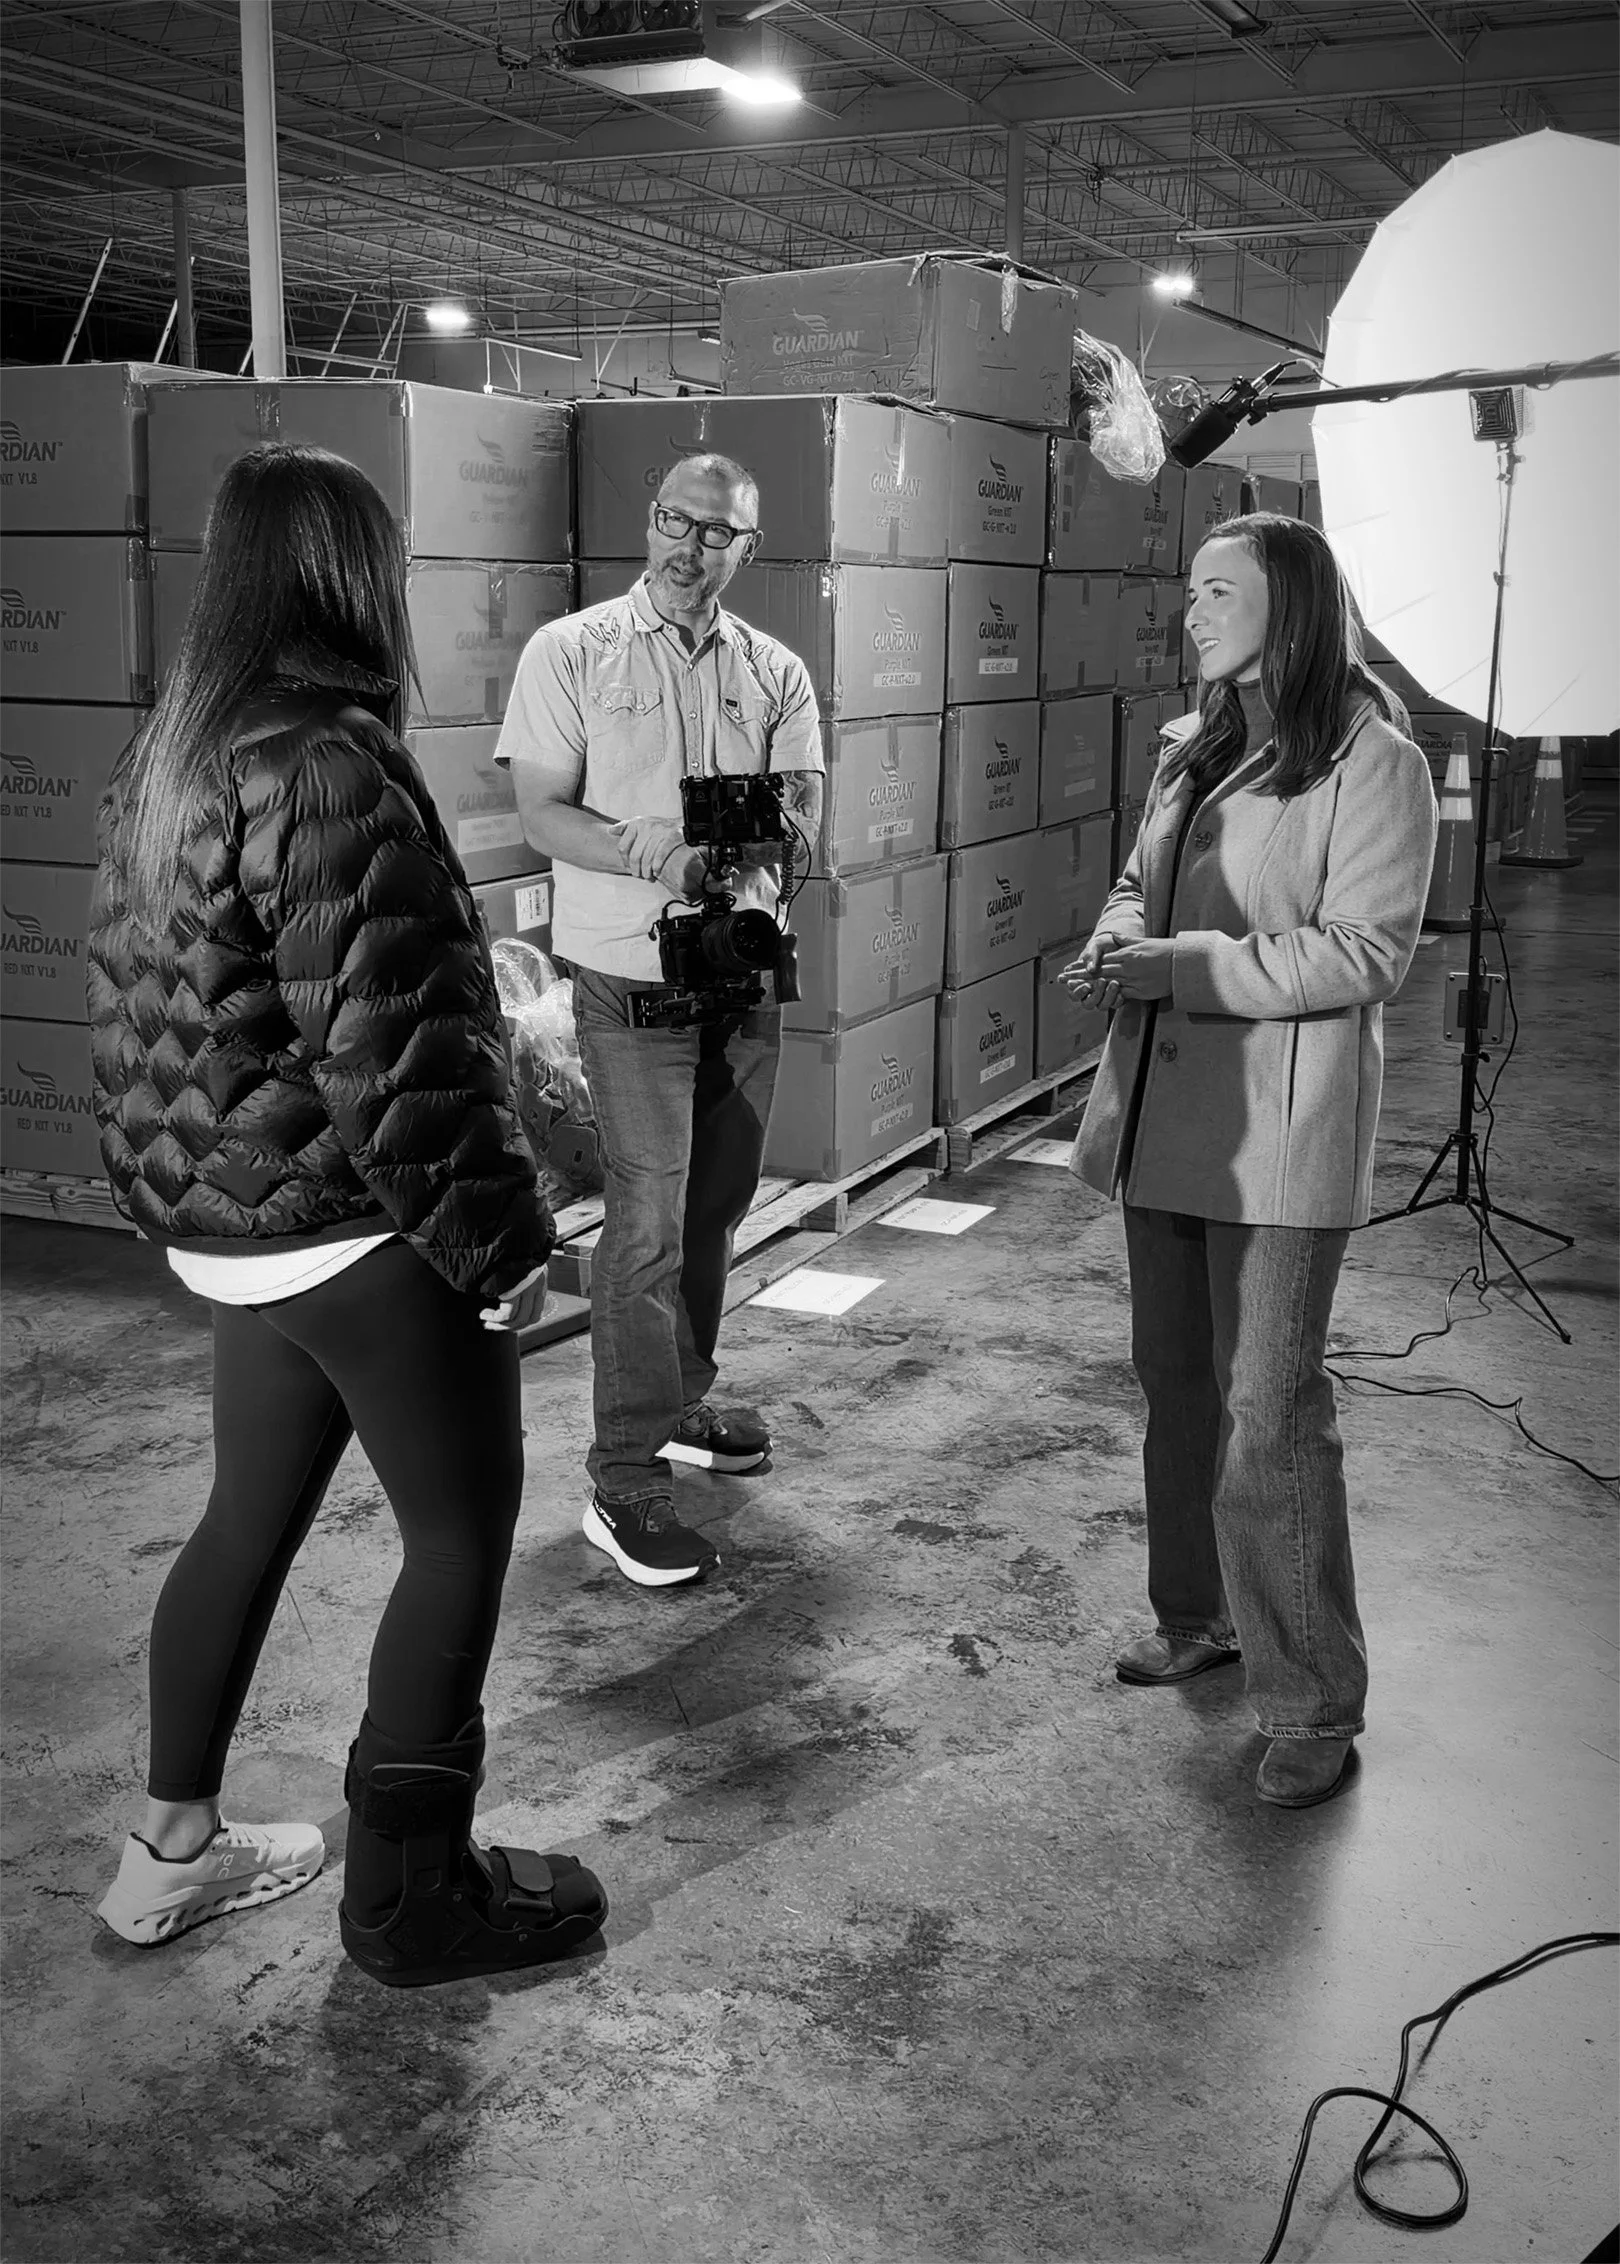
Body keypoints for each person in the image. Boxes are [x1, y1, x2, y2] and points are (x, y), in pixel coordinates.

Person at [85, 443, 608, 1984]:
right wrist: (506, 1251)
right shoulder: (326, 763)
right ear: (351, 580)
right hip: (347, 1222)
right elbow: (404, 1056)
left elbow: (143, 1017)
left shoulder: (172, 750)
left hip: (229, 1226)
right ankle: (409, 1903)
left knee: (248, 1516)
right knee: (459, 1534)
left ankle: (168, 1854)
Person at [1063, 512, 1437, 1809]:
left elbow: (1367, 952)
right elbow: (1133, 884)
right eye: (1190, 590)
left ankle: (1312, 1700)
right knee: (1175, 1381)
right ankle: (1199, 1617)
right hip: (1168, 1117)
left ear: (1289, 608)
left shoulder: (1375, 763)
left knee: (1271, 1410)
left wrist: (1186, 968)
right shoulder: (1190, 750)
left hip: (1281, 1133)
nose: (1190, 610)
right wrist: (1122, 941)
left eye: (1216, 591)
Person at [497, 453, 823, 1589]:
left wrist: (768, 864)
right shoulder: (572, 651)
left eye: (719, 534)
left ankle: (681, 1399)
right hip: (627, 982)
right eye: (678, 525)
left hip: (738, 982)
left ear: (749, 547)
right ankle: (625, 1479)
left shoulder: (776, 672)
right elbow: (542, 808)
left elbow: (801, 816)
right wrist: (659, 851)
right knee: (643, 1223)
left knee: (716, 1205)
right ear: (651, 520)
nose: (693, 550)